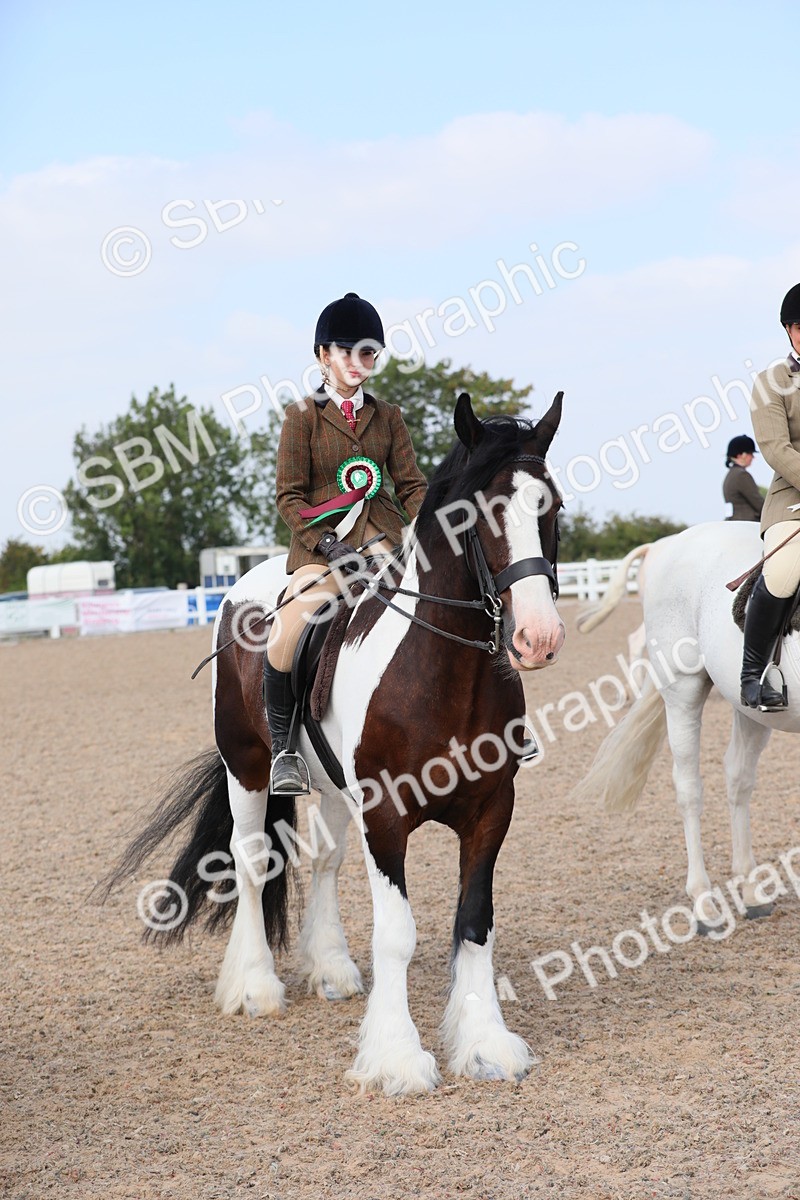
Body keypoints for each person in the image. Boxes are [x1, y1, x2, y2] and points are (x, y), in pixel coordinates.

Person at [266, 292, 428, 793]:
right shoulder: (302, 417)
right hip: (323, 554)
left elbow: (411, 486)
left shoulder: (390, 416)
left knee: (453, 603)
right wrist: (328, 543)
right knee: (288, 631)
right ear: (322, 357)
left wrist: (435, 528)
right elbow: (288, 496)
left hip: (384, 543)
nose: (358, 363)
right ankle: (284, 750)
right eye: (347, 352)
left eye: (368, 353)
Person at [740, 282, 800, 710]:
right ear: (788, 330)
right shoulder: (771, 382)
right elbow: (777, 449)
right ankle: (753, 672)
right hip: (792, 497)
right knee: (781, 574)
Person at [723, 434, 763, 521]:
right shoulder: (742, 475)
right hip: (748, 523)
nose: (753, 457)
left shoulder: (730, 475)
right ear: (740, 455)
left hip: (733, 521)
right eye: (750, 453)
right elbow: (759, 504)